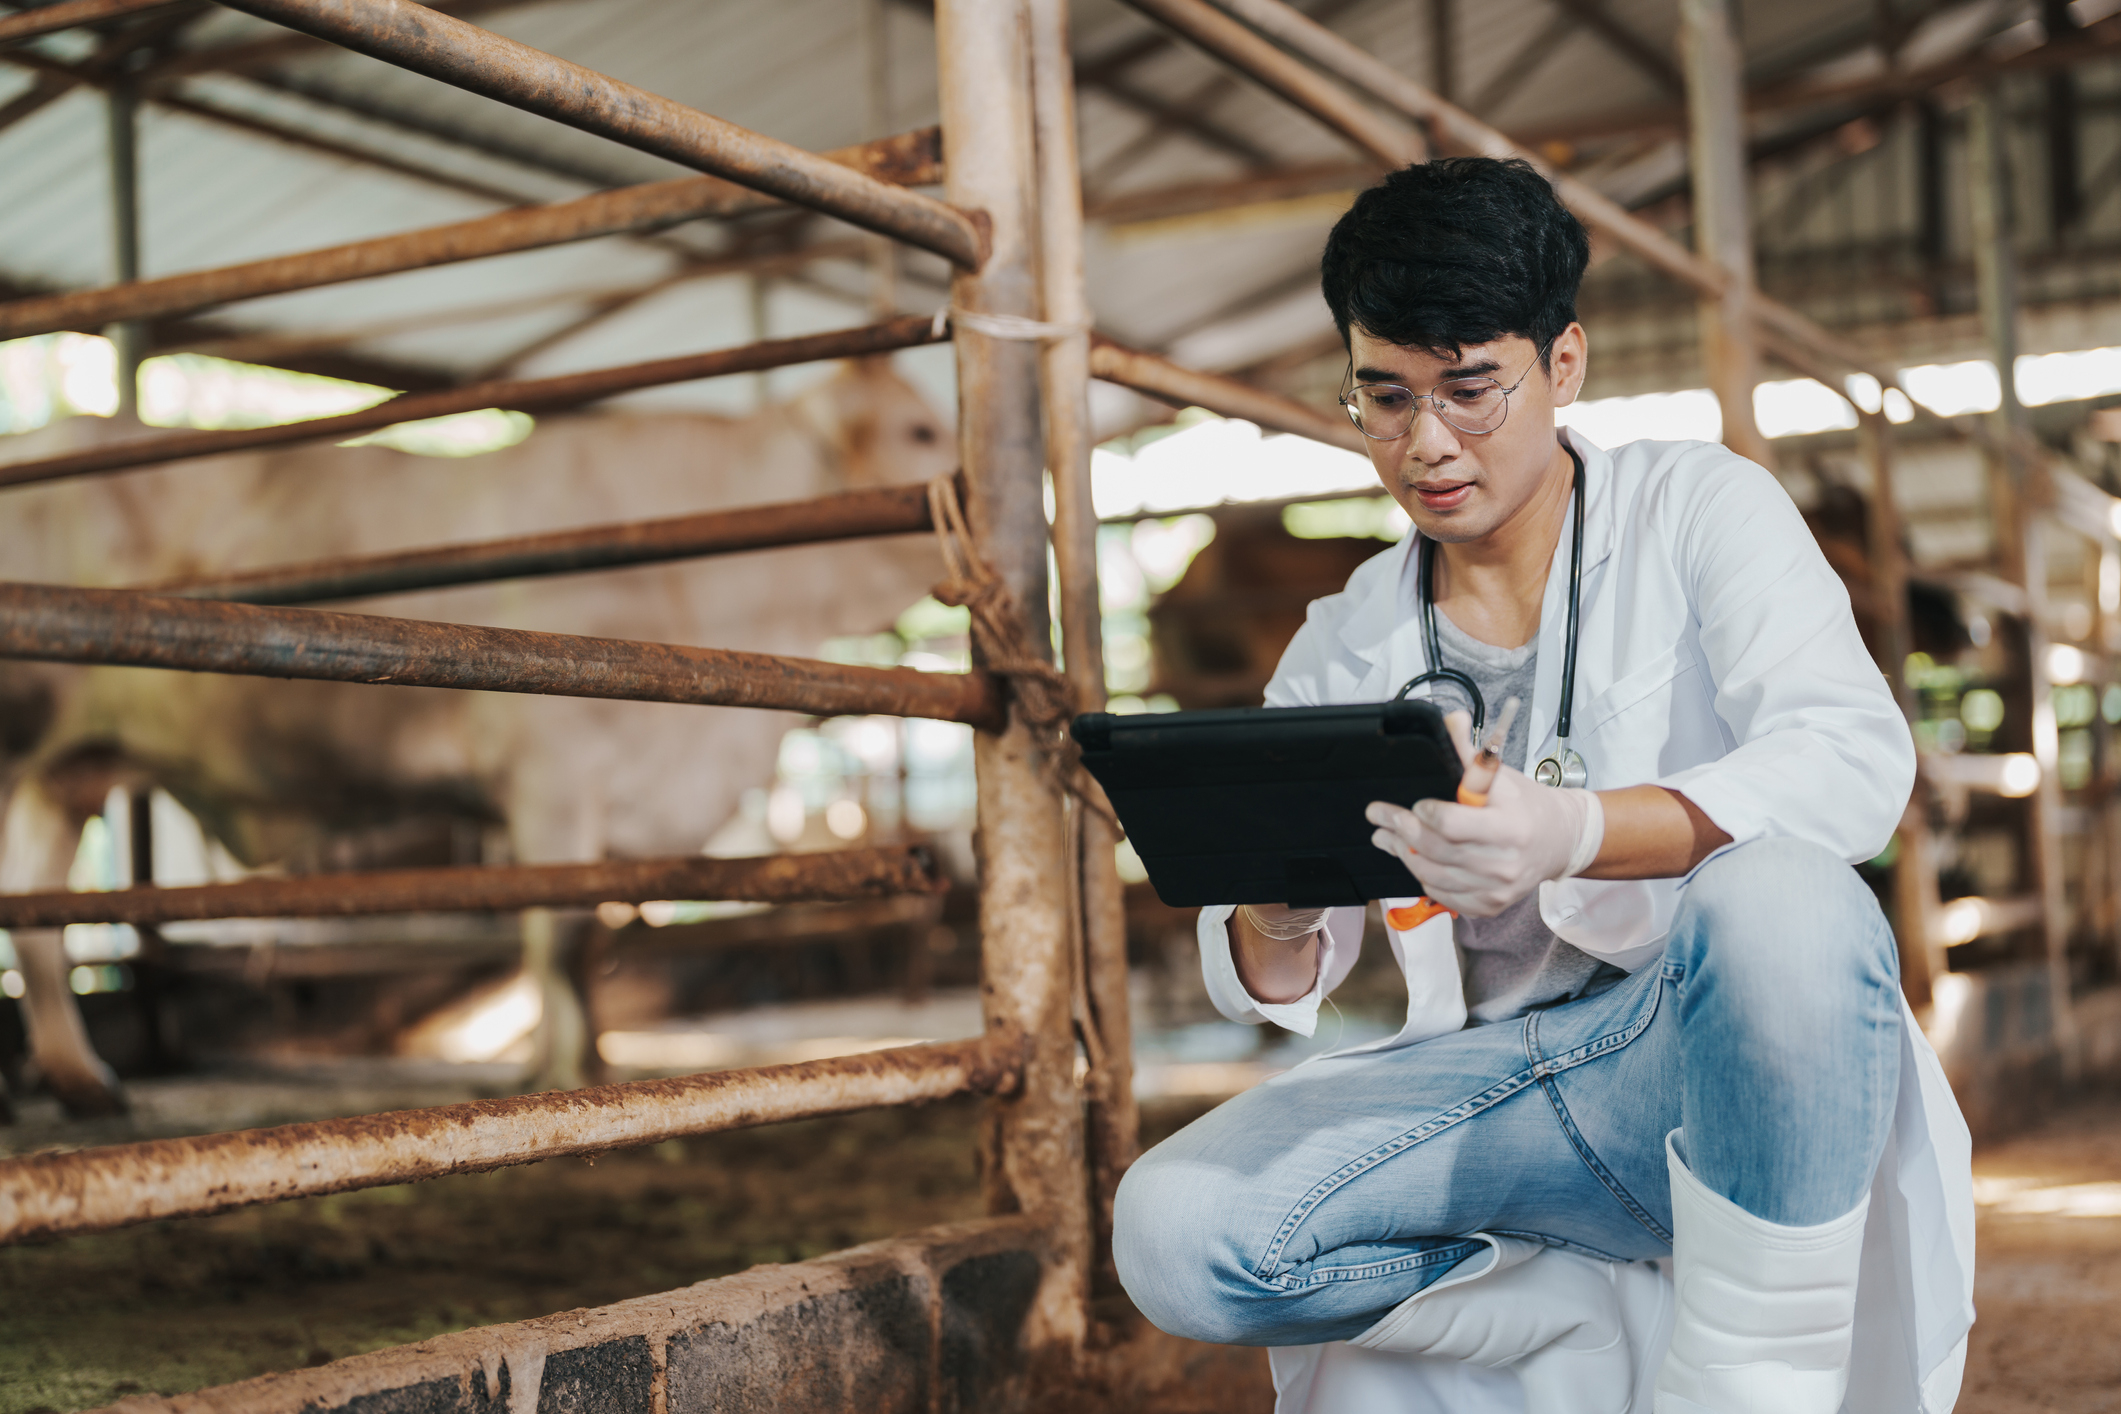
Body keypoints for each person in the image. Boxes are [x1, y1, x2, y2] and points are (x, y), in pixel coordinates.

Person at [1110, 158, 1974, 1414]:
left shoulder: (1698, 509)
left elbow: (1851, 761)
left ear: (1563, 364)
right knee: (1176, 1232)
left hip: (1687, 1068)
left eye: (1470, 389)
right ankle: (1558, 1309)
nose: (1425, 443)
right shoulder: (1345, 637)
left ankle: (1745, 1389)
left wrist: (1573, 829)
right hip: (1486, 1097)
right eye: (1384, 396)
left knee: (1787, 898)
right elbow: (1280, 980)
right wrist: (1276, 910)